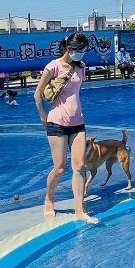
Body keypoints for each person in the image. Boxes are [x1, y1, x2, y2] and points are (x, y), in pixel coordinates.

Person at [33, 32, 97, 223]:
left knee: (79, 166)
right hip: (57, 123)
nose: (82, 55)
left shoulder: (81, 67)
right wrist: (44, 118)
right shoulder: (53, 66)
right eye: (80, 51)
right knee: (60, 168)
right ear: (69, 49)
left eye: (85, 51)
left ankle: (79, 210)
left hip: (78, 124)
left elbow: (74, 94)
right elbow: (37, 95)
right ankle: (49, 198)